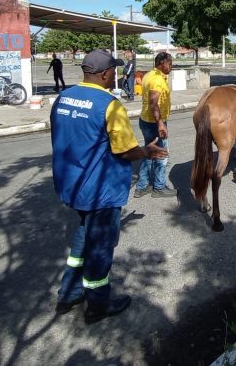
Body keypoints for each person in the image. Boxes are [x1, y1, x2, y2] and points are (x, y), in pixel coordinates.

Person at [51, 49, 167, 325]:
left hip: (72, 184)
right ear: (104, 74)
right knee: (101, 246)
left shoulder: (63, 98)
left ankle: (68, 294)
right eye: (113, 70)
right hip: (100, 189)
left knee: (83, 238)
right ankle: (97, 305)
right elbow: (125, 150)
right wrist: (147, 151)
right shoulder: (109, 105)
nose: (115, 74)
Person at [135, 52, 178, 198]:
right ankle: (159, 188)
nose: (171, 66)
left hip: (146, 120)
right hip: (154, 122)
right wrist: (160, 124)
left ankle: (142, 187)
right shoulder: (157, 80)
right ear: (162, 63)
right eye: (169, 63)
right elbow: (153, 104)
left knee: (149, 153)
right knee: (161, 155)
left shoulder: (149, 75)